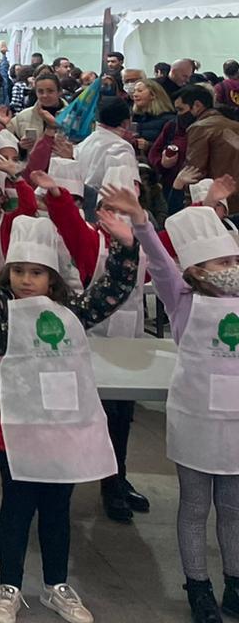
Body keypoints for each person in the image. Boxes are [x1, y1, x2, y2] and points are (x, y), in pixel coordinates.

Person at [0, 208, 140, 623]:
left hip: (62, 426)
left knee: (57, 506)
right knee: (17, 506)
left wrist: (126, 248)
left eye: (36, 272)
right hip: (15, 425)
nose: (25, 279)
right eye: (18, 270)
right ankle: (9, 587)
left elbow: (114, 289)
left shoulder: (73, 312)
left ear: (52, 277)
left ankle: (57, 586)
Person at [113, 186, 239, 622]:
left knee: (234, 509)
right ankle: (199, 587)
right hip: (195, 418)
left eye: (235, 261)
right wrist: (142, 221)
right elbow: (161, 263)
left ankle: (236, 584)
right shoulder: (182, 299)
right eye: (223, 263)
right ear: (197, 269)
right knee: (195, 507)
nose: (232, 269)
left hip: (237, 422)